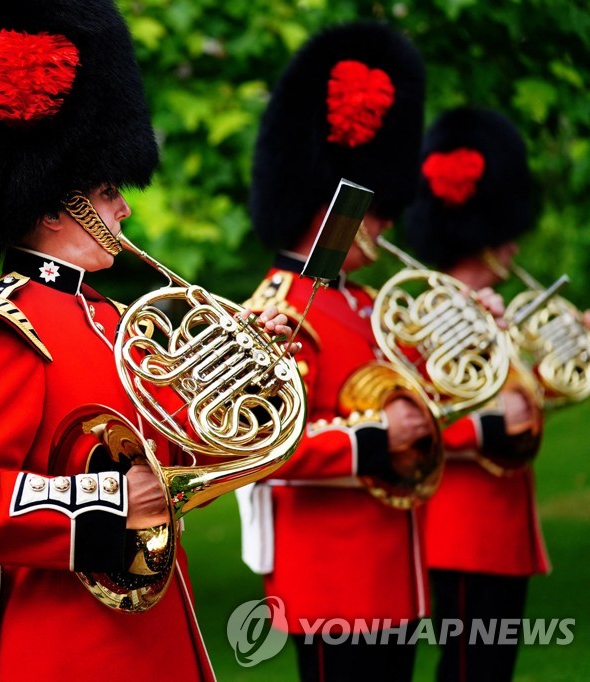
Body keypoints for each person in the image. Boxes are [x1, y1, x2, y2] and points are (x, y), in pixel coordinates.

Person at [0, 1, 295, 680]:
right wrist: (110, 503)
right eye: (104, 190)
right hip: (67, 647)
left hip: (152, 633)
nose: (123, 208)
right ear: (47, 203)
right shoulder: (2, 329)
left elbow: (173, 446)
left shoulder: (113, 319)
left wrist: (251, 380)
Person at [234, 21, 434, 682]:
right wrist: (377, 439)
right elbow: (266, 446)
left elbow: (425, 392)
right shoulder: (280, 306)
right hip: (331, 578)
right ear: (332, 208)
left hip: (388, 573)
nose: (384, 223)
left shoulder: (364, 302)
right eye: (372, 209)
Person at [403, 106, 552, 682]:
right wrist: (493, 426)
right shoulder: (433, 312)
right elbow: (426, 419)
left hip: (498, 523)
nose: (514, 246)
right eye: (505, 234)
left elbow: (513, 397)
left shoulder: (488, 313)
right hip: (459, 526)